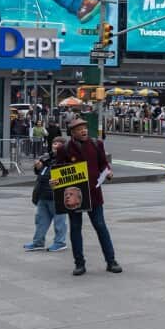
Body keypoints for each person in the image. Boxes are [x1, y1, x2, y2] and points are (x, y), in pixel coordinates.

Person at [62, 118, 121, 276]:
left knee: (101, 226)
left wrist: (108, 172)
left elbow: (103, 164)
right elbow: (58, 169)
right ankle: (79, 263)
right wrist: (55, 179)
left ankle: (111, 261)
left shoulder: (96, 144)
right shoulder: (65, 148)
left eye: (85, 127)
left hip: (94, 194)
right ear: (72, 132)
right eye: (79, 129)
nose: (84, 131)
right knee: (75, 228)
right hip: (75, 196)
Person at [24, 137, 68, 253]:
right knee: (40, 220)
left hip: (56, 195)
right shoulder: (47, 158)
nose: (55, 145)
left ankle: (60, 243)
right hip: (42, 195)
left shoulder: (65, 159)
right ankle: (38, 242)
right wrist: (37, 167)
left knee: (59, 222)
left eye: (58, 143)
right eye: (54, 143)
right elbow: (40, 173)